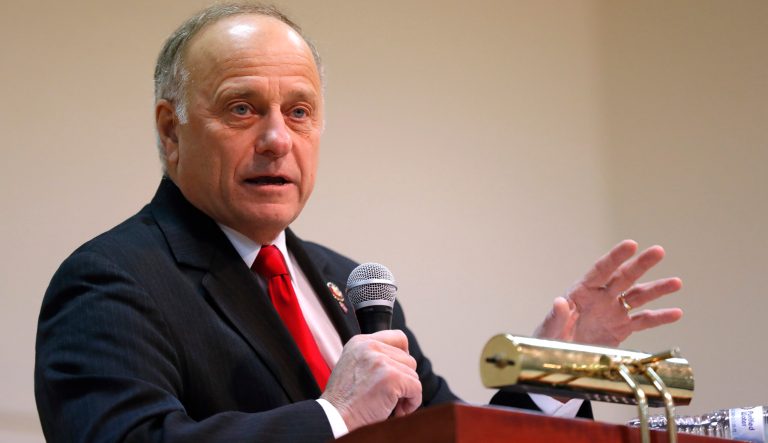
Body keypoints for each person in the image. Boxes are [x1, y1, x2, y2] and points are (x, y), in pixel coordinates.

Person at [34, 4, 683, 442]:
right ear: (171, 131)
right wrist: (332, 414)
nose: (276, 139)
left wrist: (553, 374)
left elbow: (439, 433)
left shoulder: (353, 283)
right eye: (241, 108)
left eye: (299, 112)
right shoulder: (110, 283)